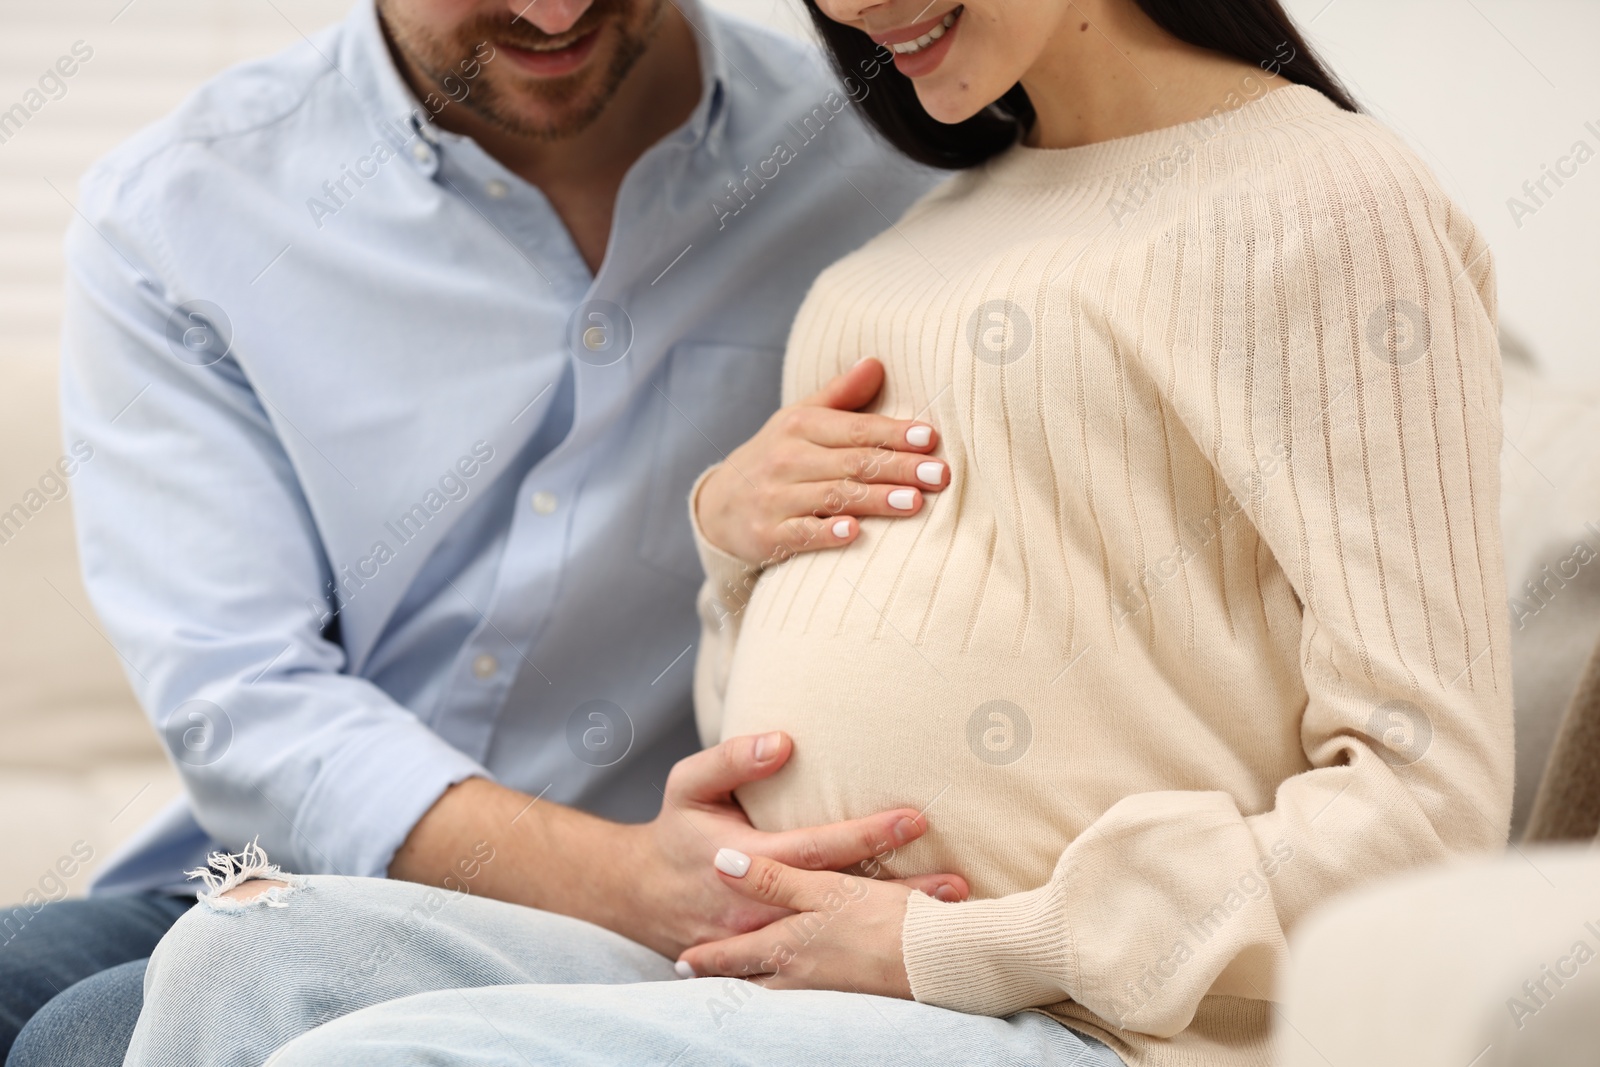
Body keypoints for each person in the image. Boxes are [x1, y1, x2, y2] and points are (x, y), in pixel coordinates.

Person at [119, 0, 1514, 1064]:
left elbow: (1426, 808)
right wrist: (731, 548)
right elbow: (758, 721)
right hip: (778, 965)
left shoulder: (1324, 203)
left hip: (1074, 1015)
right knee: (245, 952)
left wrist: (951, 940)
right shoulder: (890, 258)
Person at [0, 0, 965, 1064]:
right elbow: (244, 697)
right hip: (290, 882)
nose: (554, 13)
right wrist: (637, 879)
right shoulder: (177, 212)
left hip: (669, 930)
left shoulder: (888, 167)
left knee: (83, 1040)